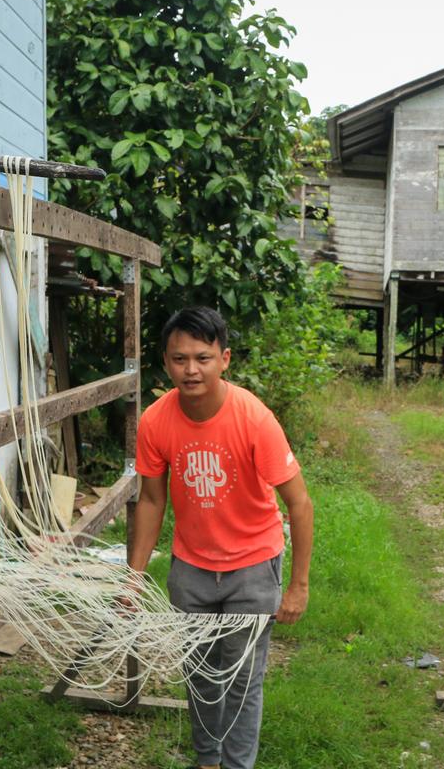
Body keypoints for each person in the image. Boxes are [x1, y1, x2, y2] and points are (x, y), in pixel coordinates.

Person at [129, 306, 314, 769]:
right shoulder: (155, 421)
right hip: (190, 569)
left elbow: (300, 503)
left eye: (203, 357)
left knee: (243, 680)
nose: (191, 369)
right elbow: (152, 501)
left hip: (252, 567)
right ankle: (207, 761)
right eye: (180, 359)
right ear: (166, 362)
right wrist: (132, 575)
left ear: (224, 358)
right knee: (200, 676)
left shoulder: (253, 418)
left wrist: (298, 585)